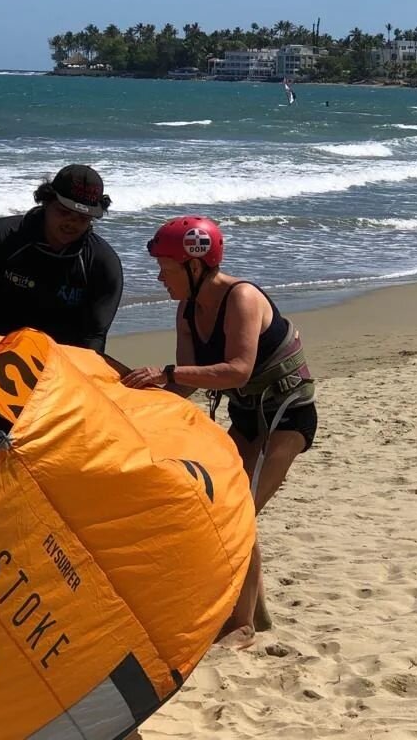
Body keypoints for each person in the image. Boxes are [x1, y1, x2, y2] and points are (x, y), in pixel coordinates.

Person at [121, 215, 317, 649]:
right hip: (248, 414)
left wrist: (164, 371)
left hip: (287, 416)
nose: (159, 278)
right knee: (224, 502)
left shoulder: (242, 297)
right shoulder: (188, 308)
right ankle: (258, 615)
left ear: (194, 266)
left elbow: (237, 369)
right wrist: (134, 400)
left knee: (238, 512)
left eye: (166, 268)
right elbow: (187, 383)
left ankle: (241, 626)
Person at [0, 164, 123, 460]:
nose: (72, 223)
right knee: (0, 459)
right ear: (46, 200)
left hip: (62, 376)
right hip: (4, 368)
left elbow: (93, 338)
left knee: (53, 462)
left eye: (82, 217)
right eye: (64, 212)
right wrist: (16, 362)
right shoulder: (2, 238)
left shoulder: (102, 264)